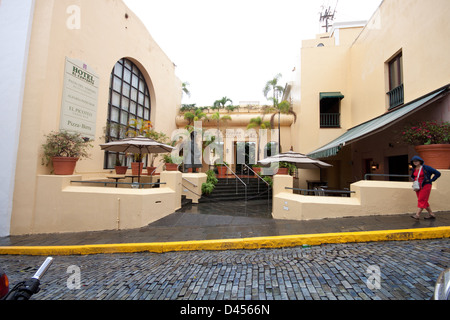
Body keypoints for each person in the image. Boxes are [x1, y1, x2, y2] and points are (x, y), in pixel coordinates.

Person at [410, 155, 441, 220]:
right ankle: (431, 214)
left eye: (416, 161)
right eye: (413, 161)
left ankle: (417, 215)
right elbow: (414, 177)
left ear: (420, 161)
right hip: (418, 186)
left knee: (421, 200)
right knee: (423, 200)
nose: (415, 162)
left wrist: (431, 180)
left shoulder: (426, 168)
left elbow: (438, 173)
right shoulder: (414, 169)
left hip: (425, 185)